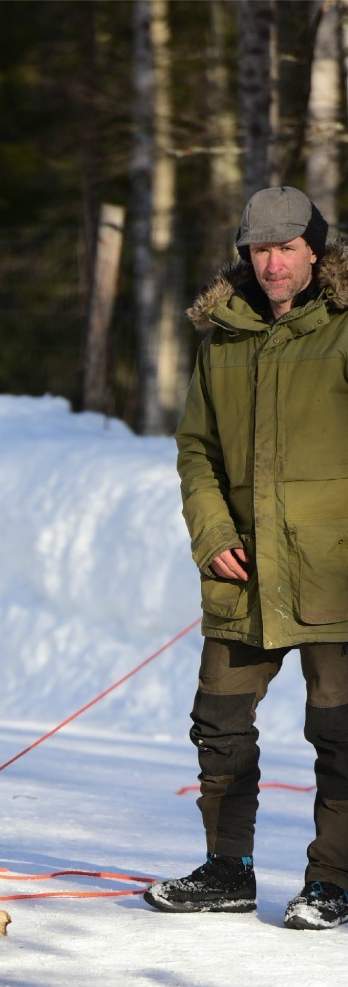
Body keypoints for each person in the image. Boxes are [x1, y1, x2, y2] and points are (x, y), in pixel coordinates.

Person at [145, 186, 348, 930]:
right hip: (244, 571)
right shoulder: (222, 339)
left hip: (335, 571)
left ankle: (333, 880)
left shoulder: (344, 329)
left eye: (287, 247)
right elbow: (196, 449)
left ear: (314, 250)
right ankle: (227, 868)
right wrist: (212, 533)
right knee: (220, 722)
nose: (272, 263)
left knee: (340, 729)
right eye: (258, 249)